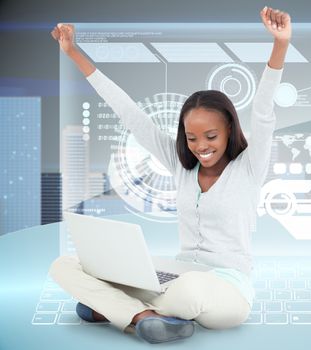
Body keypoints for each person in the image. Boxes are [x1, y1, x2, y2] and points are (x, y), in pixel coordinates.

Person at [48, 6, 291, 344]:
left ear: (229, 131)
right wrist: (73, 52)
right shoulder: (182, 167)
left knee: (189, 291)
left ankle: (112, 308)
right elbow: (130, 113)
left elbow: (264, 111)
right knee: (65, 264)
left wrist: (280, 44)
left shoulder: (249, 167)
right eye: (192, 138)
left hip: (226, 288)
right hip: (174, 274)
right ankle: (144, 317)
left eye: (211, 137)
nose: (201, 147)